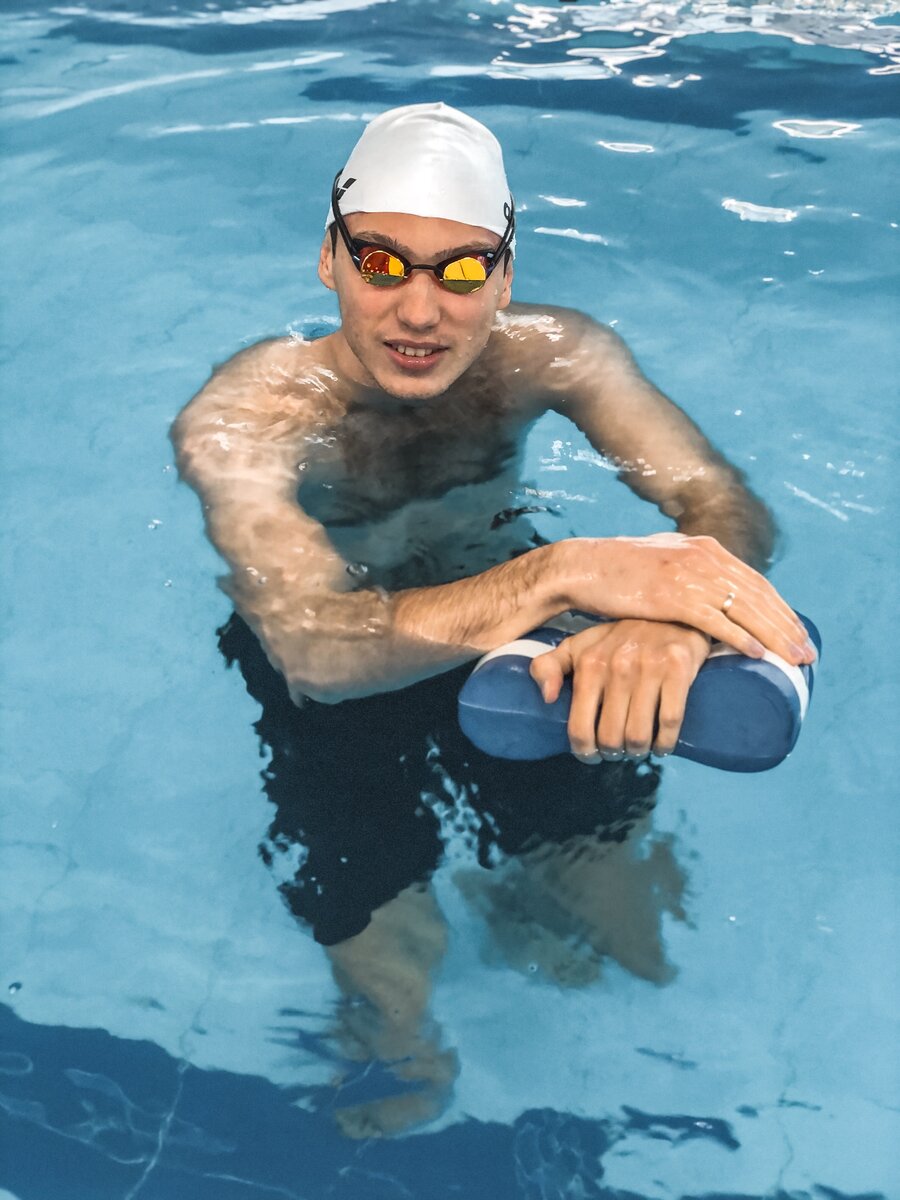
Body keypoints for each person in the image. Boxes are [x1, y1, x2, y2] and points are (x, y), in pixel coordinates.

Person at [171, 103, 815, 1134]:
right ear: (329, 259)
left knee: (620, 939)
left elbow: (721, 504)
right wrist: (569, 573)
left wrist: (670, 623)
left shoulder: (554, 357)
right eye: (381, 263)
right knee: (393, 1003)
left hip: (524, 656)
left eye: (462, 271)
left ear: (505, 278)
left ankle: (525, 892)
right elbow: (311, 648)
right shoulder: (251, 414)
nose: (420, 310)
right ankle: (396, 1031)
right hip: (344, 680)